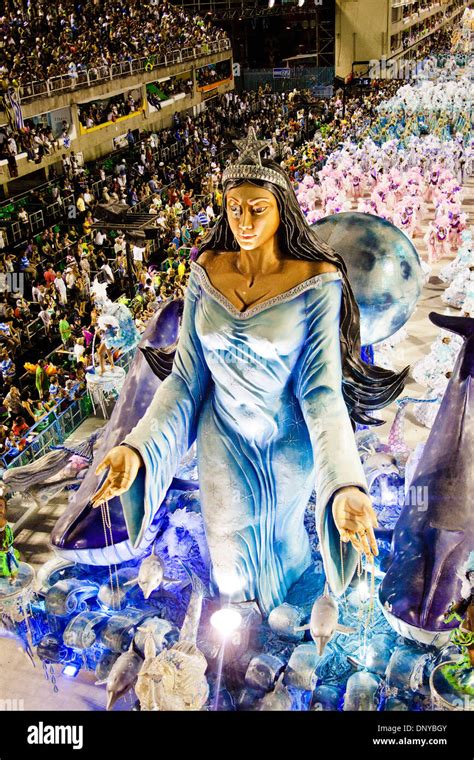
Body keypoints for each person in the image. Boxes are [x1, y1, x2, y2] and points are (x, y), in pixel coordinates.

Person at [86, 129, 407, 615]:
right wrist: (136, 447)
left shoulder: (317, 282)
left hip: (286, 444)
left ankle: (282, 623)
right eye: (235, 208)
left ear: (282, 209)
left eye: (258, 209)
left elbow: (320, 392)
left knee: (287, 549)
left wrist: (343, 484)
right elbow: (186, 379)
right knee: (229, 558)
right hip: (222, 442)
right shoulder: (205, 271)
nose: (245, 221)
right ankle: (236, 640)